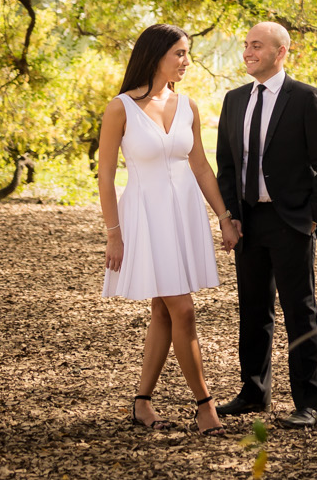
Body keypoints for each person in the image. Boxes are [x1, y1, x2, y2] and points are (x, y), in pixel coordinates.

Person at [98, 23, 241, 435]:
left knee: (163, 309)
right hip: (144, 219)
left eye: (187, 53)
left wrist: (223, 216)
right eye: (179, 53)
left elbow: (200, 166)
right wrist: (114, 232)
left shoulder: (188, 105)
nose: (186, 61)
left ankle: (142, 401)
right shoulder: (119, 108)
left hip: (184, 216)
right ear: (156, 54)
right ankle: (205, 405)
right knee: (183, 308)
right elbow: (106, 176)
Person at [212, 20, 317, 428]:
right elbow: (227, 166)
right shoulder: (234, 100)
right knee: (253, 310)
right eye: (246, 45)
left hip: (291, 222)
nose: (248, 52)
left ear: (281, 52)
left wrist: (313, 218)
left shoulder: (306, 98)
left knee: (299, 311)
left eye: (257, 46)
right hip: (249, 221)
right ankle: (253, 392)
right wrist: (230, 215)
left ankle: (307, 402)